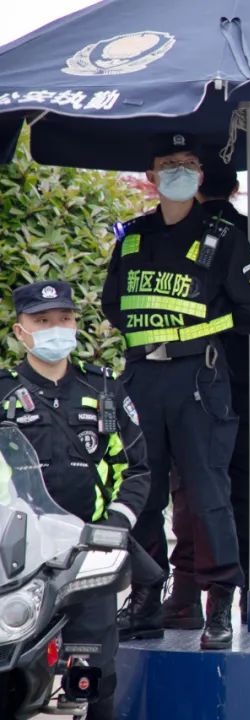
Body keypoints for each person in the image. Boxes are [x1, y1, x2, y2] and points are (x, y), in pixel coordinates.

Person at [102, 132, 250, 650]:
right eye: (168, 163)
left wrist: (200, 330)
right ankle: (145, 597)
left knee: (208, 493)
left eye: (188, 163)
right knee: (143, 493)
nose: (178, 171)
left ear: (200, 176)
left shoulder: (223, 236)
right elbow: (114, 303)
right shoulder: (132, 238)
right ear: (152, 176)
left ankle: (219, 601)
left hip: (197, 379)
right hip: (142, 379)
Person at [159, 153, 250, 630]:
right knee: (243, 490)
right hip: (244, 380)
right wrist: (243, 329)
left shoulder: (180, 233)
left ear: (197, 185)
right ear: (237, 189)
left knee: (190, 488)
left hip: (189, 377)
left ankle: (186, 595)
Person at [0, 280, 150, 720]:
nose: (55, 328)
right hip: (17, 558)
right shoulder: (3, 392)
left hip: (88, 557)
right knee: (12, 675)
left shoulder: (103, 388)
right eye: (42, 321)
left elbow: (136, 468)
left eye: (63, 319)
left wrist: (113, 529)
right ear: (20, 331)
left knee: (94, 677)